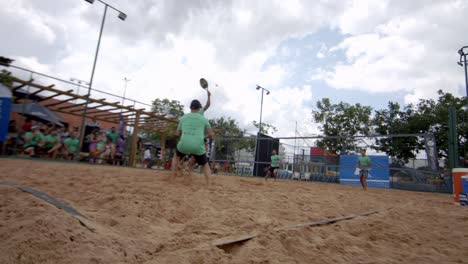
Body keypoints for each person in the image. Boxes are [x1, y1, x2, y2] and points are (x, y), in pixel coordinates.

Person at [171, 99, 214, 186]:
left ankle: (173, 177)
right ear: (199, 108)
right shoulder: (204, 119)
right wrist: (204, 137)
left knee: (176, 157)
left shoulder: (183, 118)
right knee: (205, 164)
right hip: (198, 145)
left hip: (184, 144)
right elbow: (211, 134)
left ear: (190, 108)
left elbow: (177, 133)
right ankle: (209, 184)